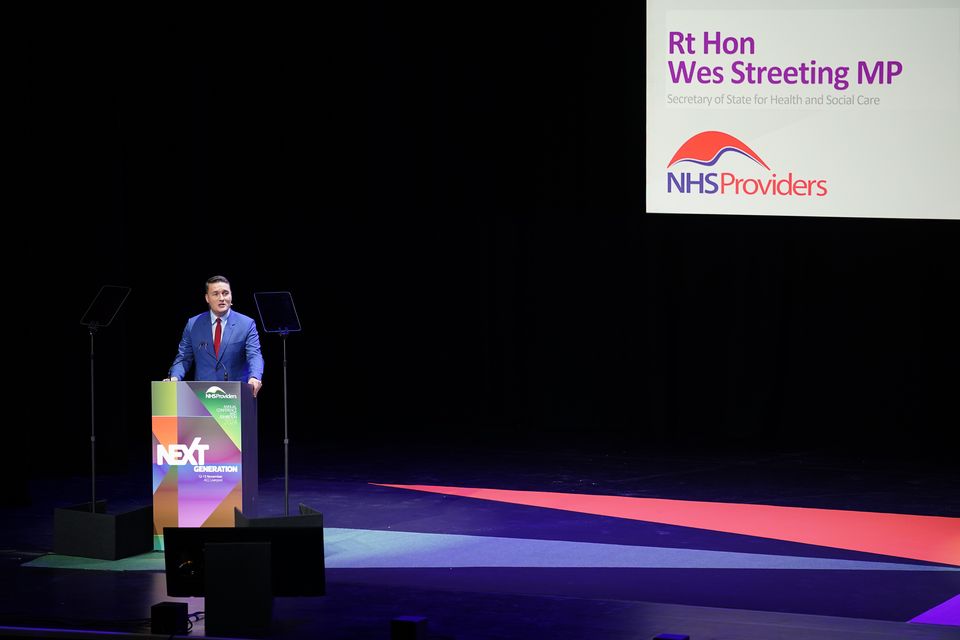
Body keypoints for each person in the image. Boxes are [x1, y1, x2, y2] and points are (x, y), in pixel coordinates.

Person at [165, 275, 263, 397]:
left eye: (225, 293)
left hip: (235, 397)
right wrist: (174, 378)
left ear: (231, 295)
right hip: (202, 397)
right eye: (216, 294)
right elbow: (184, 358)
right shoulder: (193, 324)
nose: (222, 298)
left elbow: (254, 355)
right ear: (207, 298)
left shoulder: (246, 324)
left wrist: (254, 376)